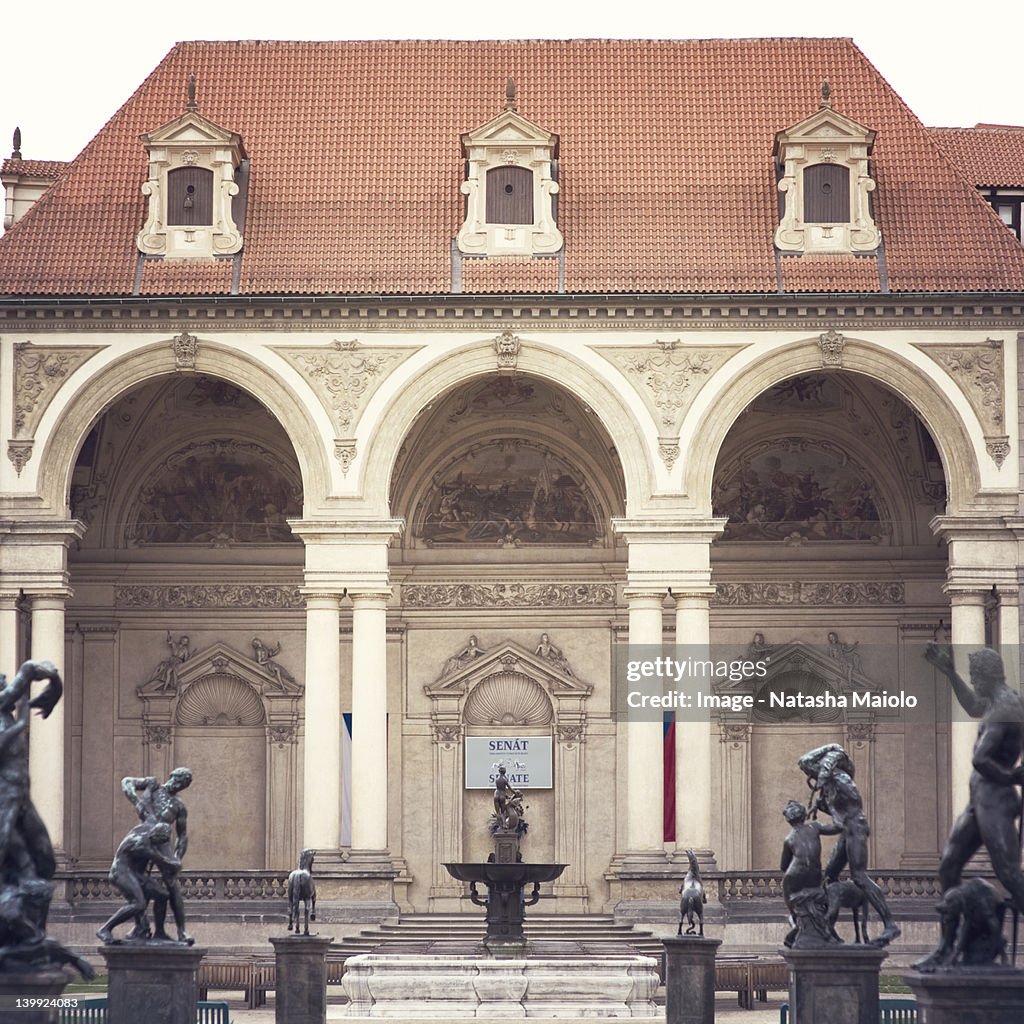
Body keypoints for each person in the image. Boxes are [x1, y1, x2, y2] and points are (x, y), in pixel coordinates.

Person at [917, 645, 1024, 968]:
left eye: (975, 676)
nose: (974, 682)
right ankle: (948, 946)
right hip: (980, 800)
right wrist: (950, 671)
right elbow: (974, 705)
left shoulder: (1007, 707)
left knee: (1008, 874)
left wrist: (1007, 775)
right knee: (949, 866)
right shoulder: (993, 701)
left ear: (988, 675)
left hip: (995, 800)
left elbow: (980, 758)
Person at [798, 744, 900, 945]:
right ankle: (826, 931)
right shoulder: (829, 787)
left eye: (813, 771)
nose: (810, 772)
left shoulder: (841, 779)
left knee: (859, 876)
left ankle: (890, 925)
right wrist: (823, 806)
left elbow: (852, 805)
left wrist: (831, 752)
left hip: (856, 829)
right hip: (847, 832)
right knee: (829, 877)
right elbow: (839, 813)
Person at [121, 769, 194, 944]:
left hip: (162, 842)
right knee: (138, 882)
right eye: (179, 780)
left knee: (172, 885)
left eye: (184, 784)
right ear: (171, 776)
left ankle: (181, 931)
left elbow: (182, 835)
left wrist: (177, 857)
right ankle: (139, 926)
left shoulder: (178, 805)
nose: (179, 785)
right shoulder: (152, 785)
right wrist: (137, 802)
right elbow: (126, 782)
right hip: (143, 836)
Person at [96, 822, 178, 943]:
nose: (160, 845)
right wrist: (176, 863)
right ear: (156, 835)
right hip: (121, 873)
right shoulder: (142, 844)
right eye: (160, 841)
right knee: (138, 904)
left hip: (135, 874)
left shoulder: (149, 836)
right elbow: (164, 862)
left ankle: (159, 933)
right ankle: (105, 929)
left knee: (162, 895)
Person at [780, 799, 842, 947]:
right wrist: (828, 808)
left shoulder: (789, 838)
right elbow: (838, 826)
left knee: (791, 900)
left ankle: (796, 923)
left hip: (794, 875)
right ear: (804, 815)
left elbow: (783, 865)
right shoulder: (814, 827)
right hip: (814, 875)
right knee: (823, 900)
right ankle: (820, 930)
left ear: (788, 819)